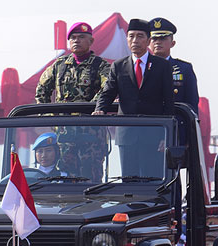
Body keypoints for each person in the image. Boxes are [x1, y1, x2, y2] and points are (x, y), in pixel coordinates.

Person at [93, 18, 174, 177]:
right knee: (129, 184)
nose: (135, 40)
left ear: (148, 40)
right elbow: (108, 92)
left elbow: (169, 102)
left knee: (152, 181)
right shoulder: (118, 65)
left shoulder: (162, 66)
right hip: (127, 136)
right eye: (131, 36)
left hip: (154, 135)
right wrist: (100, 109)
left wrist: (167, 135)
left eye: (140, 36)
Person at [36, 22, 110, 182]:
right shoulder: (59, 66)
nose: (76, 40)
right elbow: (41, 90)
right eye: (73, 38)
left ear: (91, 41)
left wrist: (94, 108)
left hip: (91, 137)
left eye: (81, 37)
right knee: (65, 181)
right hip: (64, 137)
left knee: (91, 182)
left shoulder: (101, 66)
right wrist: (51, 118)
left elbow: (108, 89)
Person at [149, 17, 199, 145]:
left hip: (176, 131)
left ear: (172, 43)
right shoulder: (140, 68)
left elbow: (192, 105)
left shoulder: (184, 69)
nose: (158, 42)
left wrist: (188, 138)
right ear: (149, 42)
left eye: (163, 38)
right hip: (146, 130)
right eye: (154, 39)